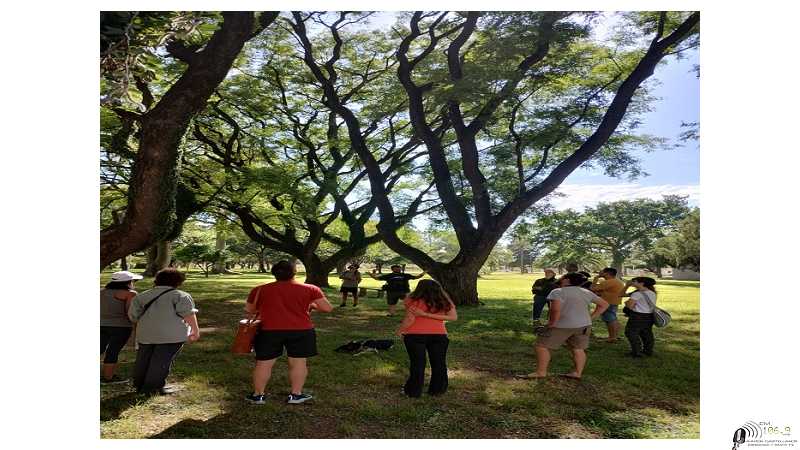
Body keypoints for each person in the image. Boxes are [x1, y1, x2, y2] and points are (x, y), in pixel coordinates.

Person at [244, 260, 333, 405]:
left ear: (274, 273)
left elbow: (250, 310)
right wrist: (311, 305)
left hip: (268, 330)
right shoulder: (311, 289)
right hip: (302, 330)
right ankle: (296, 395)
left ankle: (258, 395)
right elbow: (327, 308)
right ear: (294, 272)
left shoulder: (259, 289)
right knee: (298, 362)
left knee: (264, 363)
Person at [519, 272, 609, 380]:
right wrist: (591, 318)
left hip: (562, 325)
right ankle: (577, 373)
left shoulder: (558, 292)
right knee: (578, 348)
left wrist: (551, 324)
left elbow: (555, 310)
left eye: (563, 277)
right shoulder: (586, 292)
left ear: (567, 280)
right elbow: (604, 304)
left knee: (541, 346)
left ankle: (541, 372)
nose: (561, 278)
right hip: (583, 325)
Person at [128, 268, 200, 395]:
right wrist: (195, 330)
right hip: (171, 335)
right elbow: (188, 315)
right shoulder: (181, 296)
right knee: (161, 361)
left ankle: (139, 385)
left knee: (143, 359)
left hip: (145, 333)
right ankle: (152, 388)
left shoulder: (142, 296)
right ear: (178, 282)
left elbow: (133, 316)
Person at [396, 279, 457, 398]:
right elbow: (453, 317)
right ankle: (437, 390)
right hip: (439, 335)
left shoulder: (411, 299)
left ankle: (413, 391)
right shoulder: (444, 300)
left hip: (414, 335)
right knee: (439, 363)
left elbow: (409, 318)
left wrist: (400, 330)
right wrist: (431, 316)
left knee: (417, 364)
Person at [100, 270, 142, 384]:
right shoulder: (130, 294)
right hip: (121, 326)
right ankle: (108, 377)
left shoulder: (101, 292)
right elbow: (130, 312)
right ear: (128, 282)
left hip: (101, 324)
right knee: (113, 351)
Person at [622, 277, 658, 357]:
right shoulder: (652, 292)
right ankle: (648, 351)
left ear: (641, 283)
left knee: (631, 333)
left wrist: (627, 303)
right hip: (649, 315)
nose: (632, 282)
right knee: (647, 333)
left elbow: (630, 306)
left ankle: (636, 351)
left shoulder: (637, 294)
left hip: (638, 316)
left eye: (634, 281)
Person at [590, 268, 626, 343]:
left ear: (607, 273)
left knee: (609, 320)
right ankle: (614, 336)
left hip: (608, 303)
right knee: (613, 319)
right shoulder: (616, 281)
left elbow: (592, 288)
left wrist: (595, 278)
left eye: (602, 271)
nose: (599, 272)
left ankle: (612, 337)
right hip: (613, 302)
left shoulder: (609, 282)